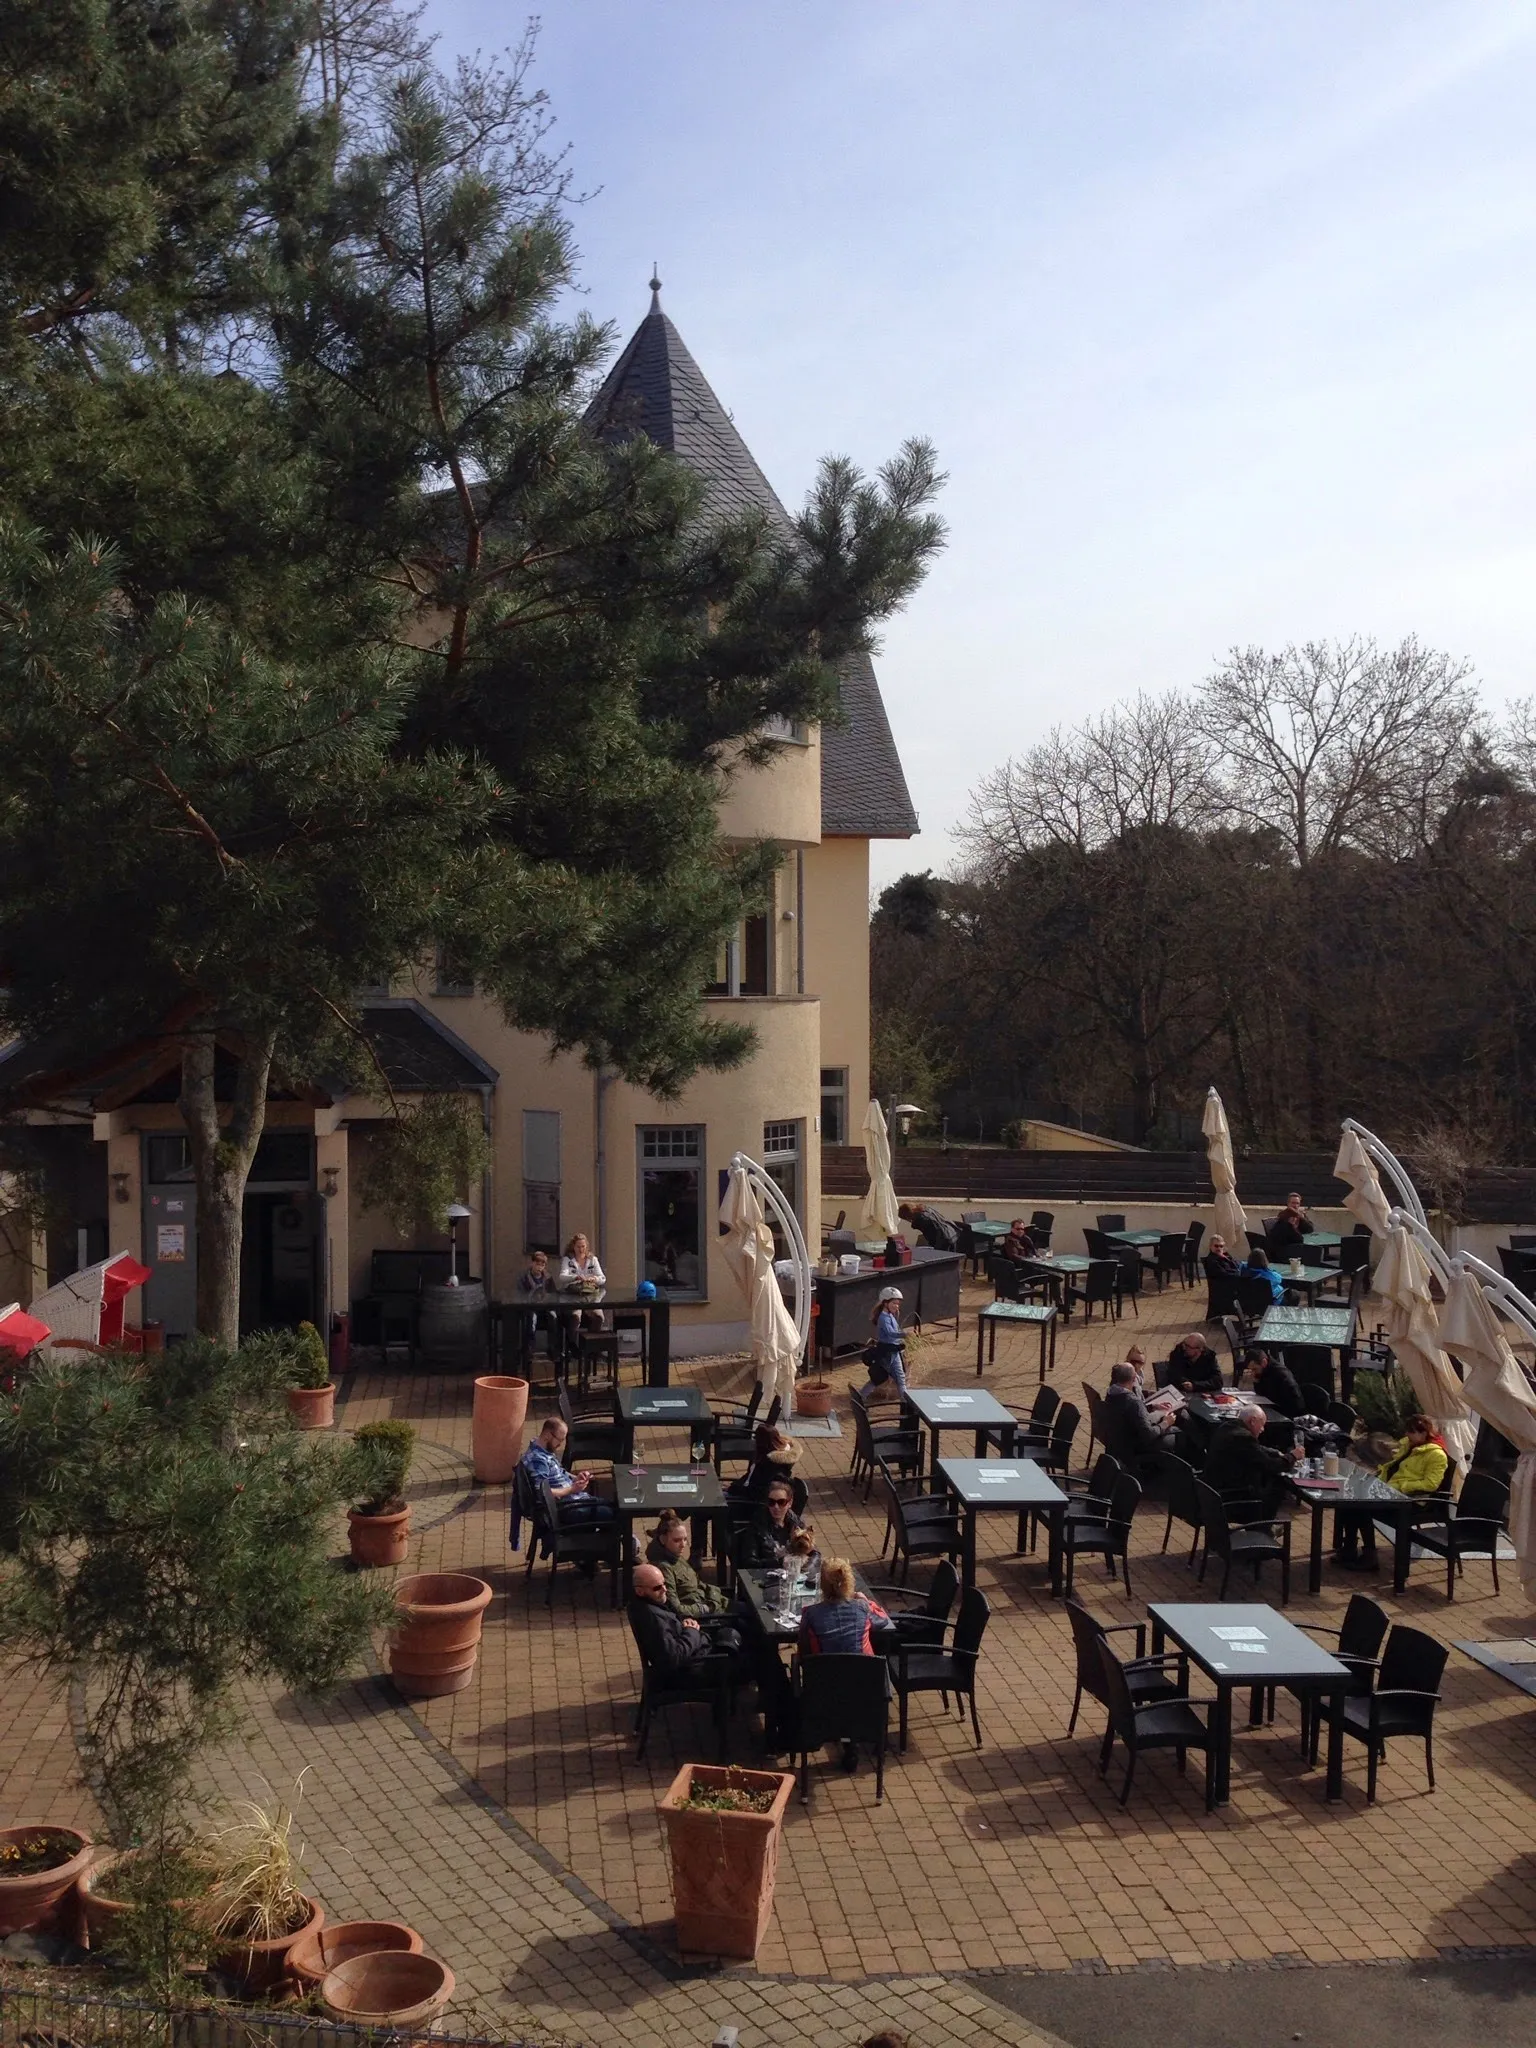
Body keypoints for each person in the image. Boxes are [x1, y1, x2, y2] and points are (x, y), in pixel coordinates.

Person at [1337, 1414, 1449, 1570]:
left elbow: (1431, 1484)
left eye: (1411, 1432)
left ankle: (1370, 1556)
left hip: (1410, 1500)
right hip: (1389, 1491)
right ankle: (1349, 1548)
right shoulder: (1410, 1446)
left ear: (1424, 1433)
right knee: (1349, 1501)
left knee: (1362, 1508)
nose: (1407, 1435)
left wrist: (1402, 1486)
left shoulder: (1436, 1455)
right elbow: (1392, 1458)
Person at [627, 1562, 746, 1675]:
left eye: (664, 1584)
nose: (665, 1590)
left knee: (741, 1630)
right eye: (657, 1588)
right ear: (640, 1591)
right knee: (754, 1659)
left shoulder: (650, 1605)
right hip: (697, 1667)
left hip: (700, 1652)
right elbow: (673, 1657)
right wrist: (691, 1631)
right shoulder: (653, 1618)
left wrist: (687, 1627)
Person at [1200, 1405, 1298, 1514]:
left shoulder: (1227, 1427)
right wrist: (1292, 1457)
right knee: (1277, 1485)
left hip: (1211, 1489)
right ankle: (1262, 1526)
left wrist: (1275, 1452)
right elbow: (1270, 1465)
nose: (1263, 1429)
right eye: (1262, 1425)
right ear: (1252, 1421)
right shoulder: (1244, 1437)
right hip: (1230, 1497)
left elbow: (1256, 1449)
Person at [520, 1415, 616, 1525]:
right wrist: (572, 1489)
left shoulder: (542, 1448)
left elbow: (559, 1472)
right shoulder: (538, 1460)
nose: (560, 1444)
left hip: (574, 1501)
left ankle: (617, 1537)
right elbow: (542, 1492)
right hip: (567, 1509)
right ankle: (622, 1538)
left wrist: (575, 1478)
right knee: (611, 1512)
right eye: (559, 1440)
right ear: (547, 1435)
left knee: (612, 1506)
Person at [646, 1510, 732, 1618]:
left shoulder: (674, 1554)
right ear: (663, 1539)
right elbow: (676, 1608)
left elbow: (697, 1583)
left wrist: (713, 1594)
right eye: (677, 1540)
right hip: (705, 1613)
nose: (683, 1545)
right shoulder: (664, 1568)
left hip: (713, 1600)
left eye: (685, 1539)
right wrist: (705, 1608)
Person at [797, 1558, 890, 1656]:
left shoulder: (810, 1613)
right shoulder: (862, 1607)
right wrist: (866, 1601)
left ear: (822, 1585)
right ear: (849, 1582)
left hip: (823, 1669)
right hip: (862, 1669)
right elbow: (882, 1620)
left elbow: (804, 1646)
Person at [1100, 1360, 1175, 1474]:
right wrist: (1165, 1423)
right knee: (1176, 1436)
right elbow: (1148, 1435)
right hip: (1134, 1447)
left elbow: (1130, 1413)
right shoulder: (1133, 1402)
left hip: (1118, 1443)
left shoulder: (1111, 1394)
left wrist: (1151, 1406)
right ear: (1134, 1378)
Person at [733, 1479, 803, 1568]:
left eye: (781, 1502)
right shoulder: (758, 1526)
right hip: (766, 1576)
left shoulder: (796, 1522)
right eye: (771, 1502)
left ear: (790, 1503)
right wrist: (779, 1563)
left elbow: (814, 1553)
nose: (776, 1507)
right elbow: (749, 1562)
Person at [856, 1284, 908, 1402]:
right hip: (886, 1353)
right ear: (885, 1303)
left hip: (894, 1352)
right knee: (878, 1377)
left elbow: (895, 1331)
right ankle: (860, 1396)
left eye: (898, 1303)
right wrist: (905, 1334)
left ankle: (906, 1402)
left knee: (900, 1377)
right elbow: (891, 1333)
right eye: (894, 1303)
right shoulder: (883, 1318)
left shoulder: (890, 1315)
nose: (896, 1306)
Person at [728, 1420, 801, 1503]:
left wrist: (734, 1489)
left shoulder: (768, 1466)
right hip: (744, 1490)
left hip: (747, 1502)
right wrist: (735, 1485)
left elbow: (756, 1492)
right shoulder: (779, 1457)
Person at [1244, 1346, 1305, 1419]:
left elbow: (1294, 1403)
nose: (1253, 1372)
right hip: (1275, 1407)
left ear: (1264, 1362)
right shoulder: (1263, 1371)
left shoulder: (1281, 1375)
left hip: (1288, 1413)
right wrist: (1256, 1381)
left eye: (1255, 1369)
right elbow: (1262, 1394)